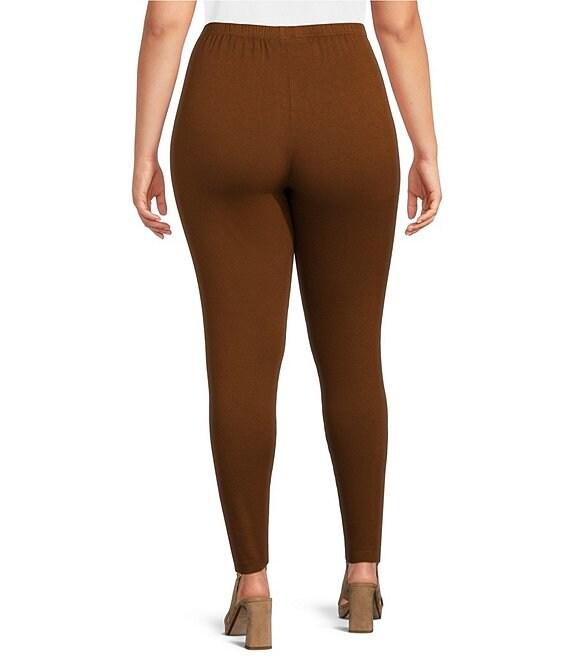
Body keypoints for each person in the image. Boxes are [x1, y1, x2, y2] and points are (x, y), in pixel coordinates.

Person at [132, 0, 441, 648]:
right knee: (354, 356)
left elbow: (164, 23)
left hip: (225, 99)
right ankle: (363, 577)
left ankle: (254, 587)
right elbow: (398, 23)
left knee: (238, 362)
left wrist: (144, 150)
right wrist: (425, 147)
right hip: (346, 98)